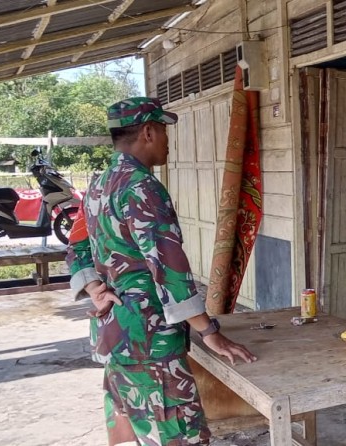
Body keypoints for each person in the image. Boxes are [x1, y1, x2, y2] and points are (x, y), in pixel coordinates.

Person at [66, 97, 256, 445]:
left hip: (115, 335)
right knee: (179, 436)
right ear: (149, 131)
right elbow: (168, 268)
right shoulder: (141, 187)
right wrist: (208, 330)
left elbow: (76, 246)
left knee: (136, 432)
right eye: (165, 131)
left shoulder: (99, 184)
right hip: (151, 341)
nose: (169, 141)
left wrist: (94, 285)